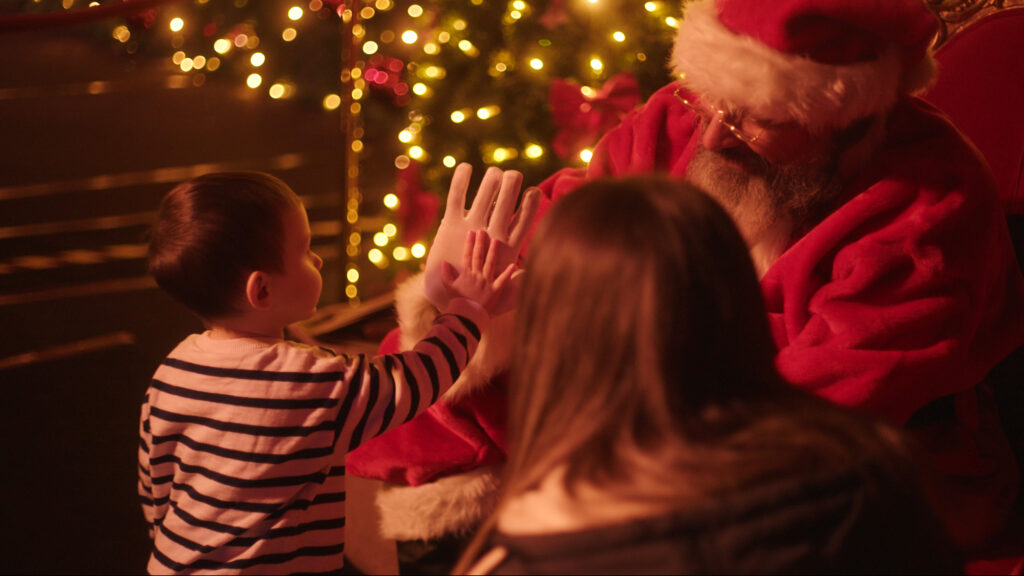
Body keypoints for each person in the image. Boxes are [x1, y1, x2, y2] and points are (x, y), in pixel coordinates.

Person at [348, 0, 1024, 567]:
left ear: (846, 117)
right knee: (436, 408)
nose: (716, 135)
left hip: (810, 450)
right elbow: (577, 230)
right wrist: (466, 309)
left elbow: (827, 410)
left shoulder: (931, 200)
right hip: (642, 389)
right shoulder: (687, 116)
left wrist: (611, 459)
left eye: (756, 117)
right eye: (714, 102)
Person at [454, 175, 961, 574]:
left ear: (556, 332)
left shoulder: (526, 551)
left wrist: (459, 320)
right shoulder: (870, 472)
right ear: (734, 296)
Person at [137, 171, 525, 574]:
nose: (318, 260)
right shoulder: (310, 380)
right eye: (305, 251)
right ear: (262, 291)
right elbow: (416, 380)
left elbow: (154, 488)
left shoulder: (173, 368)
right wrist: (467, 311)